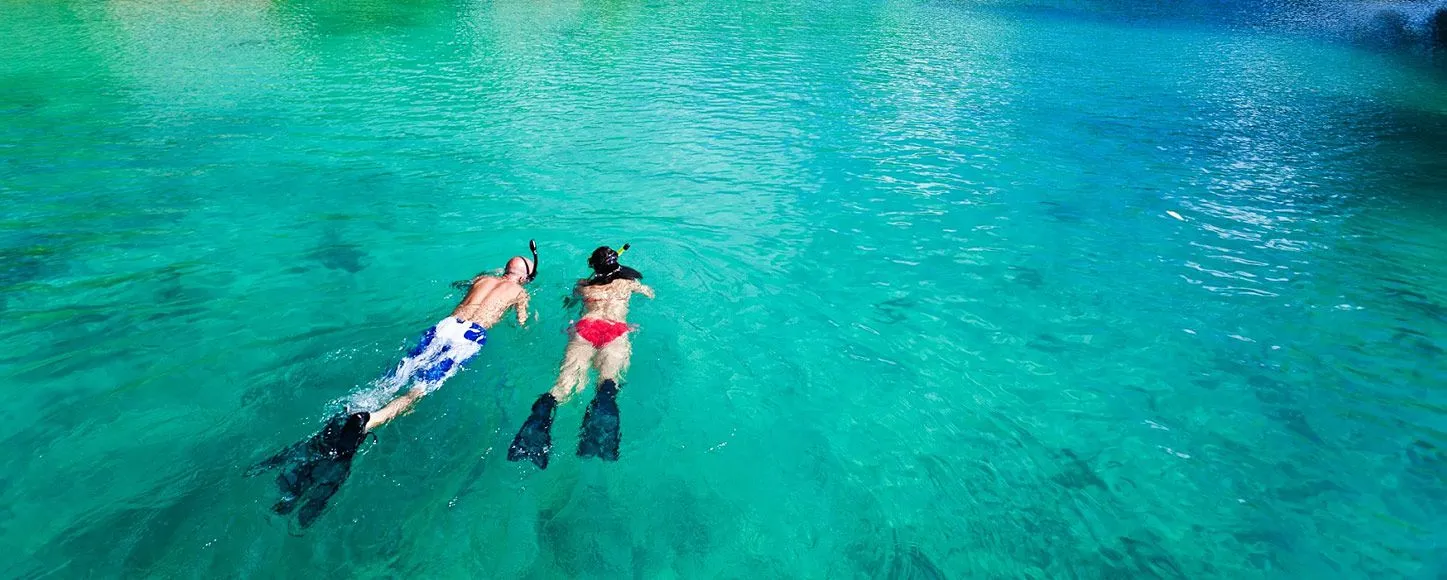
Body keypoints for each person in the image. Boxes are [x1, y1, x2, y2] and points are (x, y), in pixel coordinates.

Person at [251, 242, 537, 528]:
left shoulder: (482, 279)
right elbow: (522, 325)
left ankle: (358, 406)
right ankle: (370, 419)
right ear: (523, 277)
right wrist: (529, 317)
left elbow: (460, 285)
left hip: (447, 324)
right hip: (469, 337)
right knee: (417, 391)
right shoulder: (520, 292)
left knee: (395, 376)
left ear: (505, 268)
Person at [508, 245, 653, 469]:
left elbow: (569, 303)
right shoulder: (627, 284)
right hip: (615, 331)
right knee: (608, 383)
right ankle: (599, 423)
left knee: (563, 386)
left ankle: (540, 418)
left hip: (585, 330)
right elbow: (649, 293)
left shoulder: (582, 286)